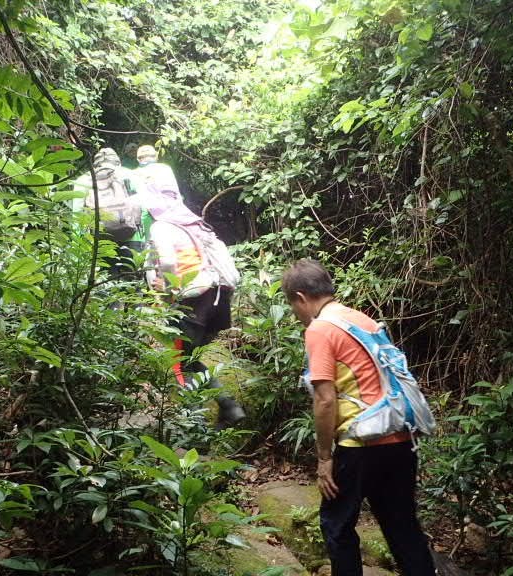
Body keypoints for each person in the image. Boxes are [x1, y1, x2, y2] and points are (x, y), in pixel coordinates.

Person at [282, 259, 436, 576]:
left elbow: (326, 400)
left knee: (336, 526)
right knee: (402, 526)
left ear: (300, 297)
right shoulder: (361, 320)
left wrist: (324, 458)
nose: (295, 313)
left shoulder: (320, 329)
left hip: (360, 445)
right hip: (400, 438)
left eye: (292, 306)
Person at [141, 185, 245, 428]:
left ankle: (195, 428)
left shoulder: (162, 226)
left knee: (181, 364)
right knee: (191, 358)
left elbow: (168, 262)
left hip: (194, 302)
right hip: (219, 301)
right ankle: (230, 407)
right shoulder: (194, 224)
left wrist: (169, 290)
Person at [72, 148, 152, 283]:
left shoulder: (84, 180)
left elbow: (77, 216)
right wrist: (147, 238)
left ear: (95, 165)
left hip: (100, 238)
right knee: (132, 282)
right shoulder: (130, 175)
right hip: (132, 236)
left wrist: (78, 249)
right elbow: (145, 208)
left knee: (106, 283)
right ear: (118, 162)